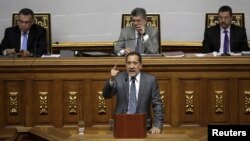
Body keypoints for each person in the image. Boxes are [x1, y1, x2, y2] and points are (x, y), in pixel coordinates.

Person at [102, 52, 164, 134]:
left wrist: (157, 125)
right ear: (126, 65)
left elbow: (157, 104)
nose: (131, 66)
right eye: (129, 63)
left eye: (135, 63)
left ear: (140, 65)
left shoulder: (150, 80)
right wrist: (111, 79)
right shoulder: (118, 78)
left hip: (144, 125)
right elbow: (107, 95)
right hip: (121, 124)